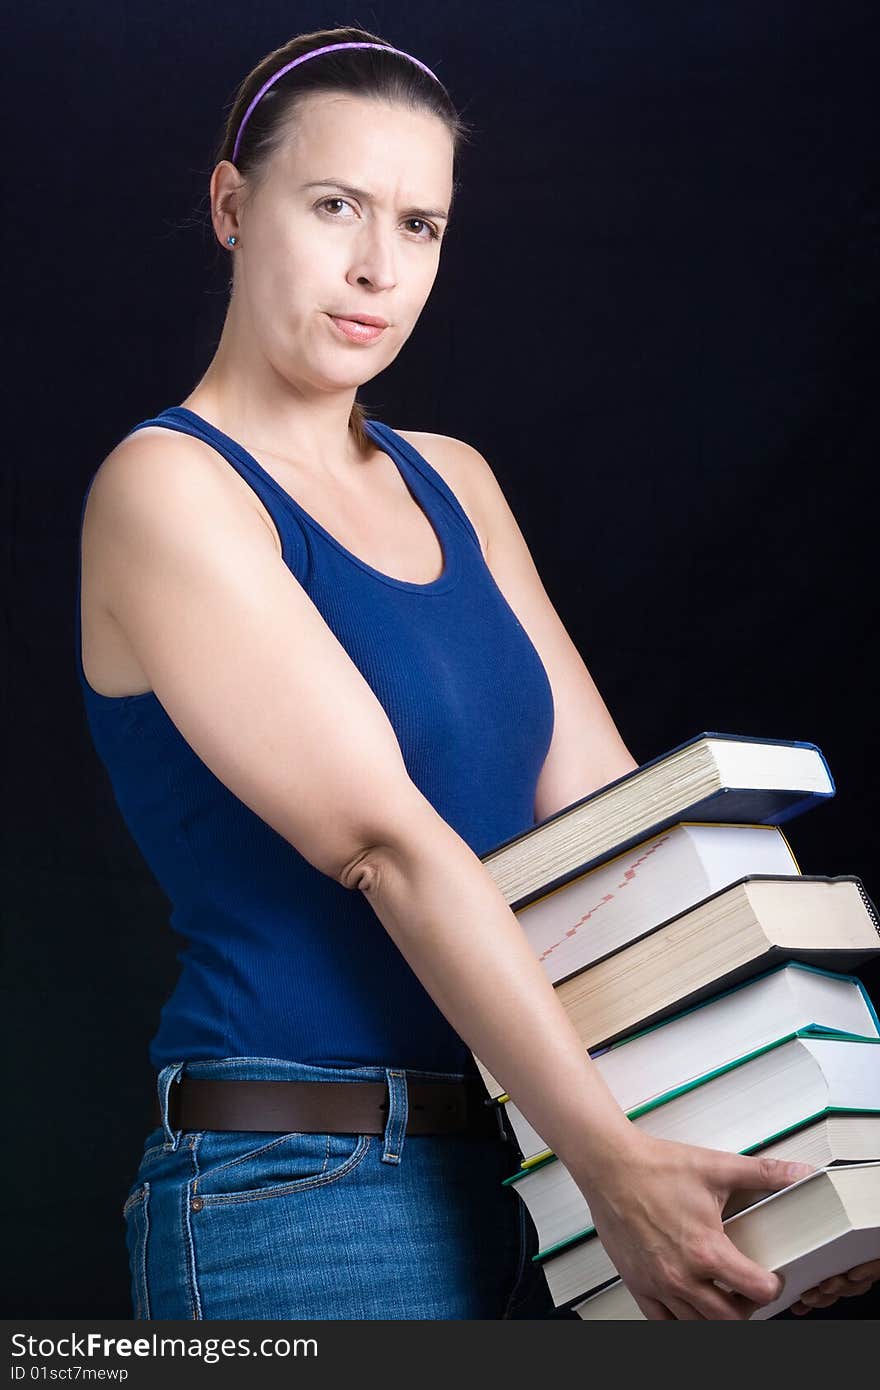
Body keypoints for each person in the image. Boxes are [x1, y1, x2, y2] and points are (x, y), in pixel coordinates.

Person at [76, 25, 880, 1320]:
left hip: (533, 1168)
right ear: (233, 205)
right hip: (302, 1186)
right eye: (333, 205)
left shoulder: (459, 483)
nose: (375, 268)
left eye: (421, 225)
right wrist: (614, 1157)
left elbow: (612, 832)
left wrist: (806, 1152)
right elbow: (386, 844)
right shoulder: (167, 488)